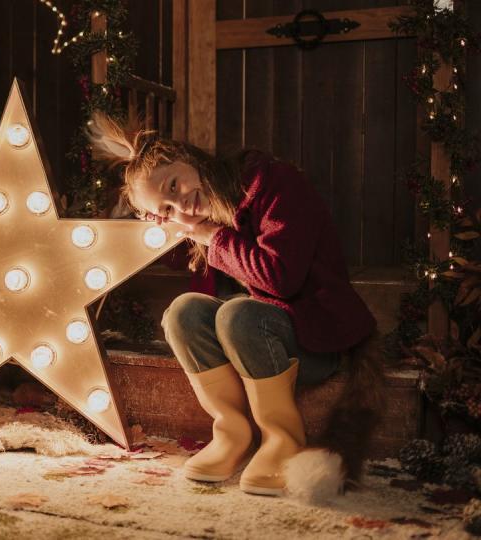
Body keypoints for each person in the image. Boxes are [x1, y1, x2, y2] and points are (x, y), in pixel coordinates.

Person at [87, 113, 376, 496]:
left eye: (174, 184)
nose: (182, 206)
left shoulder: (272, 184)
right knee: (183, 312)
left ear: (186, 157)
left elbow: (279, 278)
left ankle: (281, 439)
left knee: (238, 313)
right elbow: (185, 260)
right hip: (265, 340)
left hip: (318, 340)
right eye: (168, 208)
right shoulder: (202, 215)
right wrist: (160, 223)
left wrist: (212, 237)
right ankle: (233, 432)